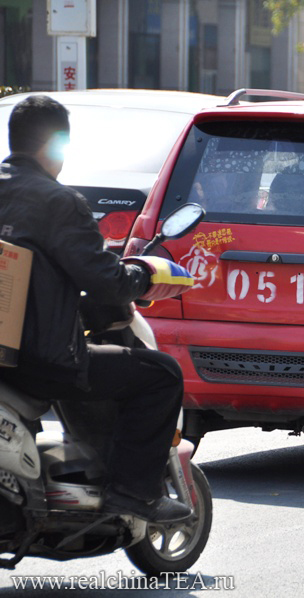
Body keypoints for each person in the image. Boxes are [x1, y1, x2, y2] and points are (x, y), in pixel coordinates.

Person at [0, 95, 193, 524]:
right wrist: (144, 278)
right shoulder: (59, 202)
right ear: (56, 146)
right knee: (162, 375)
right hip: (40, 360)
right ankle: (133, 494)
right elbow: (105, 281)